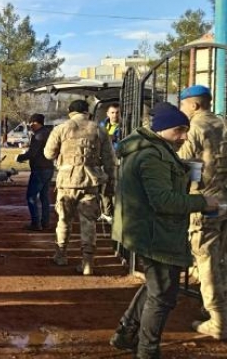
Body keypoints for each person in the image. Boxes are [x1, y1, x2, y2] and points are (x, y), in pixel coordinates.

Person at [110, 105, 219, 358]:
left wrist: (183, 170)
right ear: (160, 129)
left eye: (186, 130)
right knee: (162, 295)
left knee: (155, 286)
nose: (183, 136)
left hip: (148, 229)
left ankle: (126, 334)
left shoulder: (155, 150)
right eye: (178, 130)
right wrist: (204, 202)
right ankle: (147, 350)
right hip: (155, 232)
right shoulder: (151, 155)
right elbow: (164, 201)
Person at [177, 85, 227, 340]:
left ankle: (217, 320)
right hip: (225, 201)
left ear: (194, 105)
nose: (181, 110)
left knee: (206, 260)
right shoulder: (223, 124)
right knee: (222, 259)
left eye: (183, 105)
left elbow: (182, 166)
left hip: (205, 202)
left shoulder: (194, 128)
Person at [43, 100, 115, 275]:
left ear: (70, 112)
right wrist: (110, 181)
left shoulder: (61, 128)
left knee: (64, 219)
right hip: (90, 182)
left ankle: (61, 254)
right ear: (87, 112)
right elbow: (109, 160)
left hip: (66, 182)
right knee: (88, 221)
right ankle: (87, 262)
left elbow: (48, 153)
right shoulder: (99, 129)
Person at [17, 113, 54, 231]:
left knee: (31, 197)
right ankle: (45, 222)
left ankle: (35, 223)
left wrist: (20, 157)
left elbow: (32, 153)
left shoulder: (38, 135)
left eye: (31, 123)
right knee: (44, 197)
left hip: (39, 169)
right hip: (49, 168)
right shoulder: (50, 133)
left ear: (36, 122)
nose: (30, 125)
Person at [99, 103, 121, 223]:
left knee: (115, 188)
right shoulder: (101, 126)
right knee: (103, 188)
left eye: (117, 112)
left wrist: (114, 138)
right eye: (112, 112)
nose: (115, 115)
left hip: (117, 161)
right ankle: (106, 213)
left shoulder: (124, 126)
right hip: (103, 160)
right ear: (107, 114)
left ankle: (115, 214)